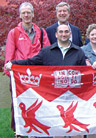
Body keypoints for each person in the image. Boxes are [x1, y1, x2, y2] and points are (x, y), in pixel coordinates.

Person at [5, 24, 86, 138]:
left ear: (70, 34)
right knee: (58, 130)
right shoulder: (47, 51)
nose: (63, 34)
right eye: (61, 32)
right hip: (54, 98)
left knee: (75, 132)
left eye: (66, 32)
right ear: (56, 35)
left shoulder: (78, 52)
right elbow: (31, 62)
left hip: (73, 97)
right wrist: (13, 64)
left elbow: (85, 74)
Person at [3, 2, 50, 138]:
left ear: (33, 14)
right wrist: (11, 75)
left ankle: (35, 132)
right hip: (19, 77)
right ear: (20, 15)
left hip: (37, 77)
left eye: (29, 12)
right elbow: (9, 57)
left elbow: (46, 55)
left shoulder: (41, 32)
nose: (26, 15)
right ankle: (19, 132)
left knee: (36, 103)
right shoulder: (14, 33)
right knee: (18, 105)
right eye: (24, 12)